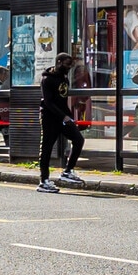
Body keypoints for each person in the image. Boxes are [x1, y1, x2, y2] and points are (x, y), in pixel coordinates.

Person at [38, 50, 86, 193]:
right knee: (46, 148)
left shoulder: (64, 78)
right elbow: (48, 102)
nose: (69, 67)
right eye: (67, 64)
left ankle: (68, 171)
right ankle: (44, 181)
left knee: (78, 139)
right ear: (59, 62)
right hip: (49, 117)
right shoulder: (47, 80)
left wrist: (69, 117)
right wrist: (62, 116)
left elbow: (63, 101)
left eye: (71, 65)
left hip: (63, 117)